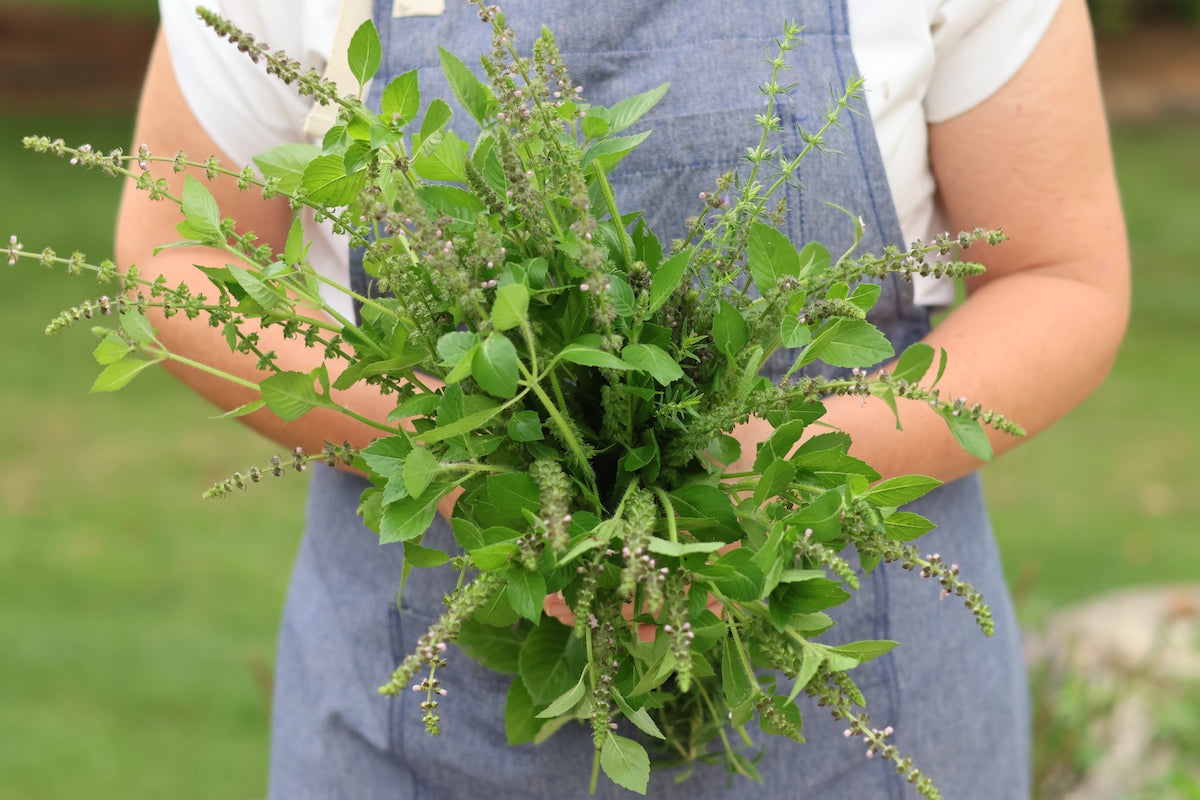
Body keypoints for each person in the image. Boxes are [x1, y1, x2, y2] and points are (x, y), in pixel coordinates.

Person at [118, 0, 1129, 797]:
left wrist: (770, 473)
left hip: (855, 708)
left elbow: (1060, 272)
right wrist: (457, 451)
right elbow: (176, 250)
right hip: (428, 717)